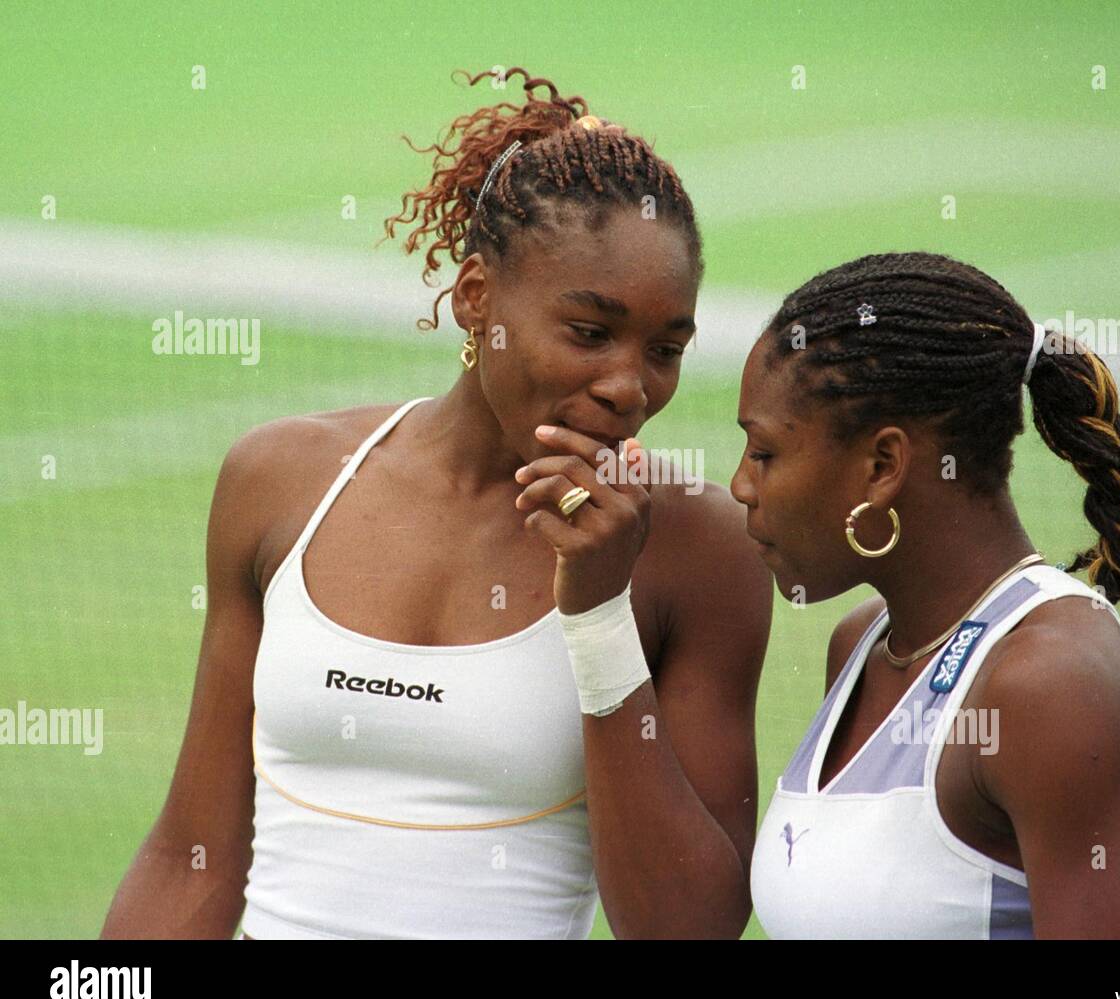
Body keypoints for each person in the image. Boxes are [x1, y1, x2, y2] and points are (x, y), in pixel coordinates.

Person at [101, 68, 771, 940]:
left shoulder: (696, 546)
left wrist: (601, 616)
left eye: (666, 348)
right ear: (476, 297)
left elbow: (691, 927)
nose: (628, 387)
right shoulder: (279, 480)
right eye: (589, 332)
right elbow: (189, 857)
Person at [733, 251, 1120, 938]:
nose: (740, 485)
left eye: (763, 453)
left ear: (882, 466)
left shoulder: (1052, 689)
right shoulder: (866, 644)